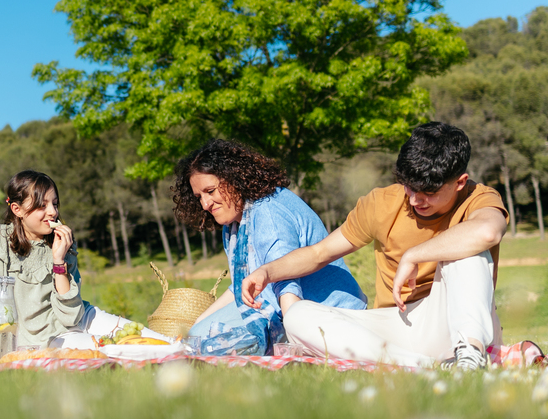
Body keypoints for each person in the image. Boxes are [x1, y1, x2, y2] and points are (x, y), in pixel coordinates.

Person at [240, 122, 509, 370]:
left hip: (456, 324)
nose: (416, 200)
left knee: (467, 251)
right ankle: (424, 367)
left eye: (429, 192)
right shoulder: (381, 203)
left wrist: (414, 255)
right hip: (394, 326)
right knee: (297, 315)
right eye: (410, 188)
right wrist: (267, 272)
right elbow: (319, 253)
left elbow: (487, 232)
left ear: (460, 182)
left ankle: (470, 359)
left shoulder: (478, 197)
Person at [171, 139, 367, 354]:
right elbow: (242, 286)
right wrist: (195, 325)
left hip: (330, 316)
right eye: (199, 197)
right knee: (196, 337)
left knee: (210, 347)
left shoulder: (268, 211)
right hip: (282, 307)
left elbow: (285, 280)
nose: (205, 204)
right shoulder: (235, 224)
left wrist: (295, 350)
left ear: (235, 178)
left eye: (211, 191)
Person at [0, 171, 169, 348]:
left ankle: (192, 356)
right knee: (113, 349)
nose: (53, 212)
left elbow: (71, 316)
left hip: (79, 317)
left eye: (54, 203)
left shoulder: (63, 242)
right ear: (17, 209)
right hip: (46, 338)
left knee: (153, 340)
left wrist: (58, 260)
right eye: (41, 205)